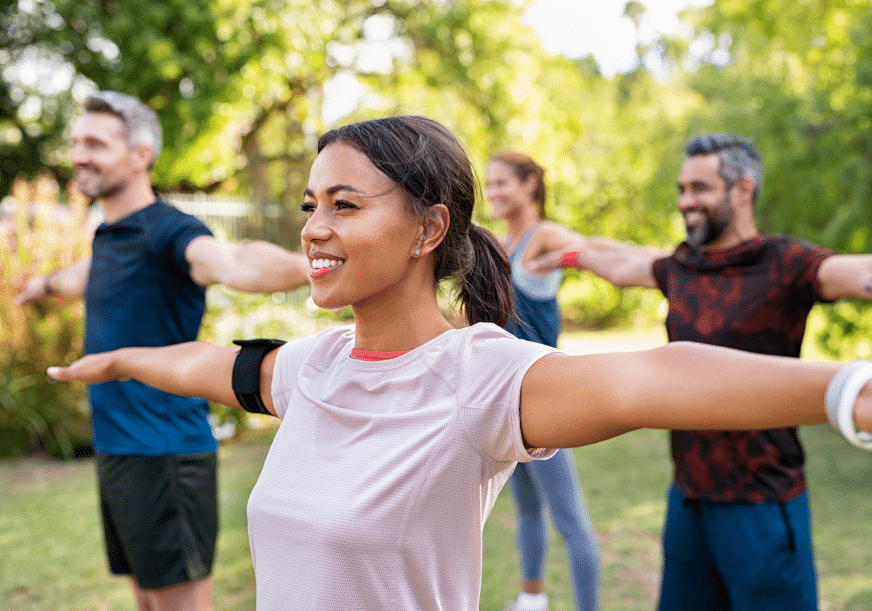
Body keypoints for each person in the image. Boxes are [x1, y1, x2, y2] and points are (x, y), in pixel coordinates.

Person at [44, 117, 872, 611]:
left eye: (343, 205)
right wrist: (122, 357)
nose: (313, 228)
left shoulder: (478, 376)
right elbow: (210, 364)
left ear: (428, 228)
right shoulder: (312, 368)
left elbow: (651, 378)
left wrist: (848, 388)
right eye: (308, 206)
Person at [528, 133, 872, 610]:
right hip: (688, 499)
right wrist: (562, 257)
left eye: (700, 188)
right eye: (682, 189)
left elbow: (858, 273)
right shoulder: (681, 266)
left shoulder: (785, 263)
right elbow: (617, 260)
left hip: (762, 504)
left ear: (743, 189)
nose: (686, 201)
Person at [15, 91, 310, 611]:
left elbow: (233, 261)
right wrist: (41, 285)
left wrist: (308, 267)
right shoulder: (110, 235)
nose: (79, 153)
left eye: (95, 143)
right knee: (147, 600)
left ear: (140, 155)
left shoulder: (170, 231)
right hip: (119, 451)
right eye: (77, 141)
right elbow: (83, 278)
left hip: (166, 454)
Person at [486, 151, 599, 611]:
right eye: (489, 184)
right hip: (508, 399)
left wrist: (571, 258)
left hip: (546, 397)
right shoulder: (500, 243)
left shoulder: (543, 237)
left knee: (569, 519)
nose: (492, 192)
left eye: (502, 184)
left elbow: (594, 251)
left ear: (531, 183)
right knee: (528, 508)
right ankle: (531, 599)